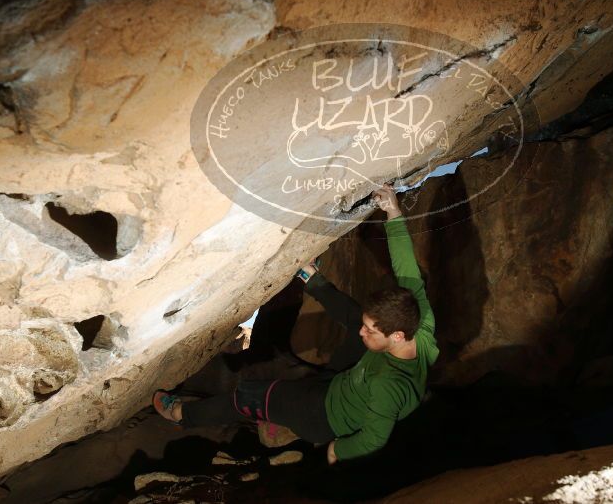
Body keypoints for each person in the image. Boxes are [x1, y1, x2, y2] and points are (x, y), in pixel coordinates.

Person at [152, 184, 438, 464]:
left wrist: (339, 449)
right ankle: (310, 277)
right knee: (355, 319)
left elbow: (374, 438)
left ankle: (180, 415)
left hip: (323, 412)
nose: (364, 332)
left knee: (251, 395)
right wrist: (393, 212)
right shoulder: (417, 321)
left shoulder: (387, 387)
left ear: (398, 336)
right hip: (350, 379)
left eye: (371, 331)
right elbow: (407, 269)